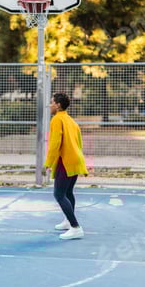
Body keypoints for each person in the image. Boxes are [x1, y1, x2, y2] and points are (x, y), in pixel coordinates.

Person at [45, 93, 88, 240]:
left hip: (66, 160)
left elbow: (54, 144)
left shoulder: (57, 119)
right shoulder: (70, 120)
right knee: (68, 192)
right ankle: (68, 222)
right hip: (76, 159)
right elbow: (79, 141)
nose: (50, 105)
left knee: (59, 194)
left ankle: (76, 227)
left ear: (57, 105)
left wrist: (48, 163)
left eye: (51, 102)